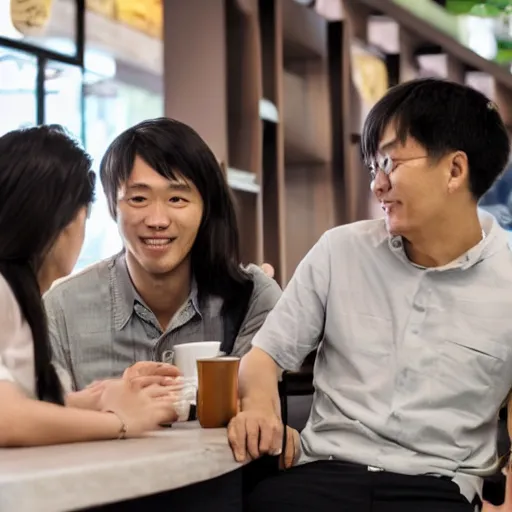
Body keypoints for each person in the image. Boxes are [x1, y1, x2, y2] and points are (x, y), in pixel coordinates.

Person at [228, 78, 512, 511]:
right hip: (322, 471)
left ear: (455, 170)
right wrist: (260, 410)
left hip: (437, 487)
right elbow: (264, 357)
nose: (377, 185)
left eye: (390, 163)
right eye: (372, 168)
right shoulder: (339, 251)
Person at [44, 118, 281, 407]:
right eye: (139, 198)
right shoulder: (61, 309)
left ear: (206, 207)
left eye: (177, 199)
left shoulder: (253, 299)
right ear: (111, 205)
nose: (157, 221)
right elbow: (47, 419)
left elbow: (254, 409)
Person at [0, 125, 178, 447]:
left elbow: (24, 403)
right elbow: (7, 418)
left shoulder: (17, 294)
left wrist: (101, 398)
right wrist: (119, 421)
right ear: (65, 222)